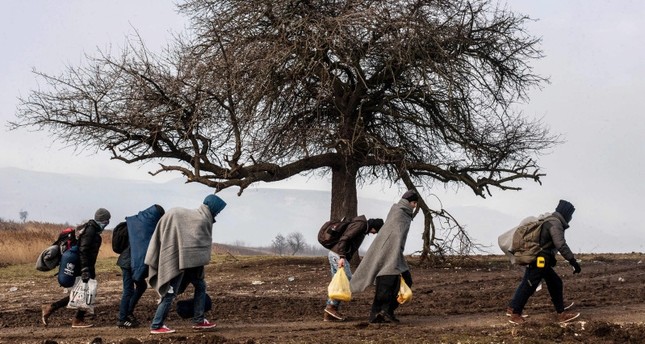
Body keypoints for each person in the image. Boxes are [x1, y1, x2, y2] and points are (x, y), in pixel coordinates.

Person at [145, 194, 227, 334]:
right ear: (213, 208)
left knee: (200, 285)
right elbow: (193, 246)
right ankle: (156, 325)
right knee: (170, 293)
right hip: (178, 262)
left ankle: (199, 320)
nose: (218, 213)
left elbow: (194, 246)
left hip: (189, 262)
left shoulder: (200, 218)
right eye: (218, 210)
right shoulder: (201, 220)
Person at [507, 199, 581, 325]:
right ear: (566, 214)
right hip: (540, 260)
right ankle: (515, 314)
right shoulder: (555, 223)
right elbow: (561, 245)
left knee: (554, 283)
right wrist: (573, 261)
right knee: (530, 285)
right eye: (570, 215)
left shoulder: (551, 220)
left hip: (540, 259)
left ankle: (560, 313)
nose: (571, 218)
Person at [350, 190, 418, 323]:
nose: (415, 206)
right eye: (414, 203)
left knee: (404, 281)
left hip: (395, 255)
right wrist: (393, 254)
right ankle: (380, 313)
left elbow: (396, 237)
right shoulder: (399, 213)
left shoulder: (403, 213)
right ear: (408, 202)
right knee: (386, 285)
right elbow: (394, 235)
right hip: (388, 256)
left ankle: (386, 311)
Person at [41, 208, 111, 328]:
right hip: (84, 265)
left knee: (82, 292)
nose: (107, 224)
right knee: (87, 292)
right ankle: (76, 319)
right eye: (106, 221)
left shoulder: (91, 229)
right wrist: (85, 269)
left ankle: (52, 308)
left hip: (86, 265)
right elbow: (83, 250)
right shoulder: (91, 230)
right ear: (101, 220)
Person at [324, 216, 384, 322]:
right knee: (346, 281)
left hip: (336, 254)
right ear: (374, 227)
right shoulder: (361, 226)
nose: (374, 233)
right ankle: (331, 307)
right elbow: (344, 239)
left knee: (338, 283)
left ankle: (329, 314)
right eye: (376, 231)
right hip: (338, 255)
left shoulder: (362, 227)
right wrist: (342, 257)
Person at [116, 204, 165, 328]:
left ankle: (128, 312)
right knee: (128, 290)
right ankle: (122, 319)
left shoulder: (137, 221)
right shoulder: (149, 227)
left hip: (127, 260)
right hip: (128, 263)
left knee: (141, 285)